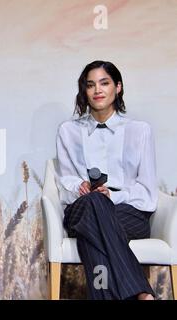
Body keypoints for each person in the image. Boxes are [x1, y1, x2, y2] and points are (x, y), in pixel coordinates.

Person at [56, 60, 157, 300]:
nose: (97, 90)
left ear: (118, 87)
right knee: (94, 203)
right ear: (84, 91)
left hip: (127, 212)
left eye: (104, 83)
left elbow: (148, 193)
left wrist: (113, 195)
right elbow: (65, 181)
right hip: (82, 207)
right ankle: (141, 292)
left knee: (93, 230)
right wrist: (78, 188)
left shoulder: (139, 130)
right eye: (90, 85)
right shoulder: (68, 131)